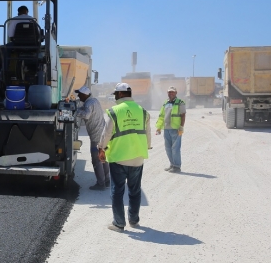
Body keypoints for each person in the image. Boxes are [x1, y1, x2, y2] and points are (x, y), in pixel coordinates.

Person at [97, 82, 151, 232]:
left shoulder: (114, 111)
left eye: (115, 94)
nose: (114, 97)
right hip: (137, 158)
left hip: (119, 157)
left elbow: (106, 133)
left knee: (117, 191)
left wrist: (101, 148)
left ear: (120, 94)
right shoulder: (142, 111)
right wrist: (146, 147)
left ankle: (119, 224)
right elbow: (148, 133)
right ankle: (134, 220)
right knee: (135, 190)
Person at [73, 85, 110, 190]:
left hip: (96, 136)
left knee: (96, 160)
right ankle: (107, 181)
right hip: (103, 134)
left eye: (80, 94)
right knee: (103, 158)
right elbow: (86, 109)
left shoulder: (88, 103)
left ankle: (100, 184)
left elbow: (87, 114)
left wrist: (75, 112)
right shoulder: (94, 101)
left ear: (85, 95)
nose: (78, 96)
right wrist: (78, 108)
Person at [155, 86, 186, 173]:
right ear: (167, 93)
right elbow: (161, 116)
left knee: (175, 149)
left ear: (176, 93)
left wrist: (181, 127)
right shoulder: (165, 103)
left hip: (176, 129)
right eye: (169, 92)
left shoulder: (180, 102)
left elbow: (183, 115)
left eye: (172, 92)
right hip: (167, 129)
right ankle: (172, 164)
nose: (171, 93)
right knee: (168, 148)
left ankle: (177, 166)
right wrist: (159, 127)